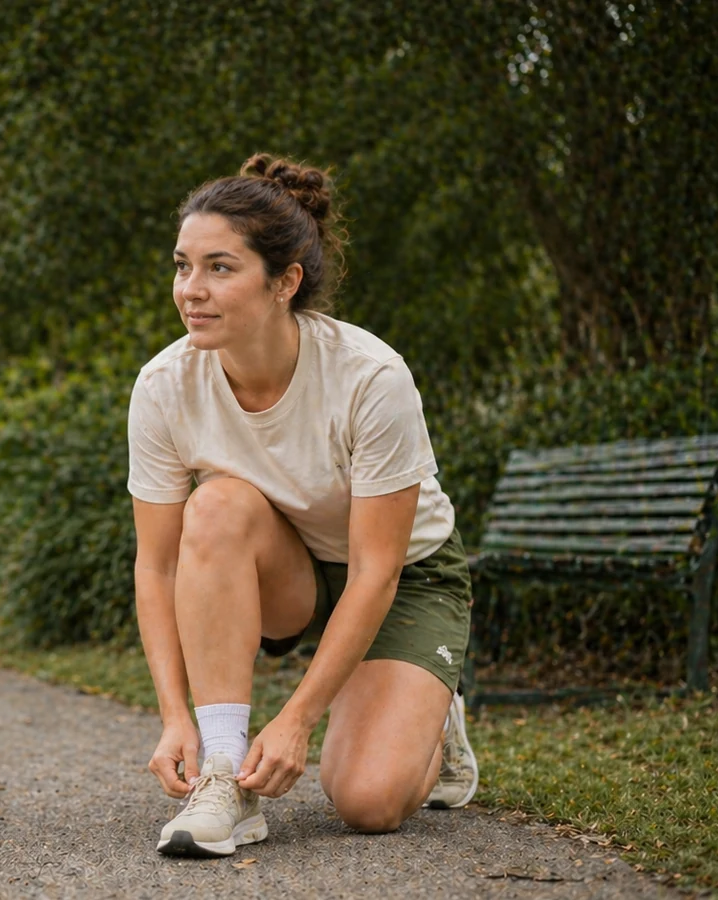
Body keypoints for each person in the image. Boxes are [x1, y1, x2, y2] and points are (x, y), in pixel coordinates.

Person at [127, 154, 478, 858]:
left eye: (220, 268)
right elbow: (157, 567)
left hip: (404, 579)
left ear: (285, 282)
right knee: (216, 506)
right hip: (291, 573)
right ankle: (225, 777)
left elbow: (376, 571)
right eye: (183, 266)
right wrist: (174, 717)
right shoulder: (165, 385)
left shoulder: (369, 377)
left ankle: (433, 715)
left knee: (370, 801)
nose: (191, 290)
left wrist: (296, 720)